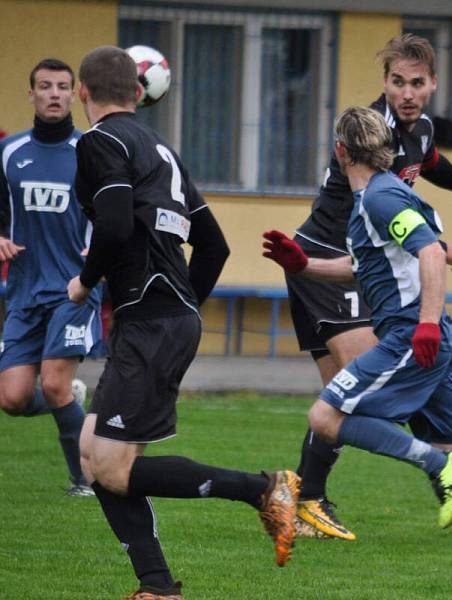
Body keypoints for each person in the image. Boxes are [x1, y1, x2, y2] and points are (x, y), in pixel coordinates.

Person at [264, 105, 452, 580]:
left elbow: (429, 251)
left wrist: (423, 323)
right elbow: (369, 266)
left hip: (412, 334)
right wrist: (305, 266)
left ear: (340, 152)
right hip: (427, 335)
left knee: (325, 417)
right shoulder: (379, 198)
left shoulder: (381, 198)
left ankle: (408, 470)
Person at [68, 46, 299, 600]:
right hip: (163, 317)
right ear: (139, 92)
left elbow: (117, 223)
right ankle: (155, 586)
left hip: (150, 320)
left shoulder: (101, 142)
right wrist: (182, 308)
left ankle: (264, 489)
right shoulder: (161, 151)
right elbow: (213, 246)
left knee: (112, 469)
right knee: (91, 450)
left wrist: (86, 280)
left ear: (83, 93)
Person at [288, 33, 452, 541]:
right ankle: (433, 467)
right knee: (364, 389)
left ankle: (306, 501)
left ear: (432, 85)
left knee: (339, 396)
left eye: (417, 83)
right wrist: (441, 249)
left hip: (328, 265)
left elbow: (428, 163)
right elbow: (390, 215)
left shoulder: (421, 129)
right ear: (384, 83)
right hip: (330, 263)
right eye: (398, 82)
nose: (407, 93)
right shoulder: (373, 134)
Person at [0, 58, 100, 496]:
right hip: (24, 292)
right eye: (45, 86)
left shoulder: (92, 152)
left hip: (73, 290)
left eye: (63, 86)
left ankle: (86, 479)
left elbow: (118, 211)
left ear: (75, 93)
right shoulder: (9, 153)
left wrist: (102, 248)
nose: (54, 93)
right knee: (14, 399)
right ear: (32, 94)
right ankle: (71, 405)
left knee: (54, 382)